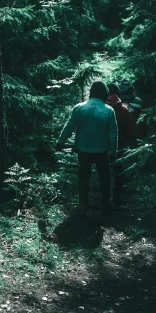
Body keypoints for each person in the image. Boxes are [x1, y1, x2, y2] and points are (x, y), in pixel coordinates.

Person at [56, 80, 118, 215]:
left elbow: (69, 126)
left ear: (91, 92)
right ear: (105, 94)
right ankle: (106, 204)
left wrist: (60, 141)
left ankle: (83, 204)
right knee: (105, 178)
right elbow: (113, 134)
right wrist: (114, 151)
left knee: (83, 177)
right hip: (102, 150)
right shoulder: (109, 111)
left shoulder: (79, 108)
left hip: (83, 150)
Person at [106, 83, 135, 204]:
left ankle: (105, 197)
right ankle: (116, 196)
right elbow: (129, 131)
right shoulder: (124, 110)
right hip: (120, 145)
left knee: (104, 172)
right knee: (119, 173)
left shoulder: (101, 109)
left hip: (103, 146)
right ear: (119, 94)